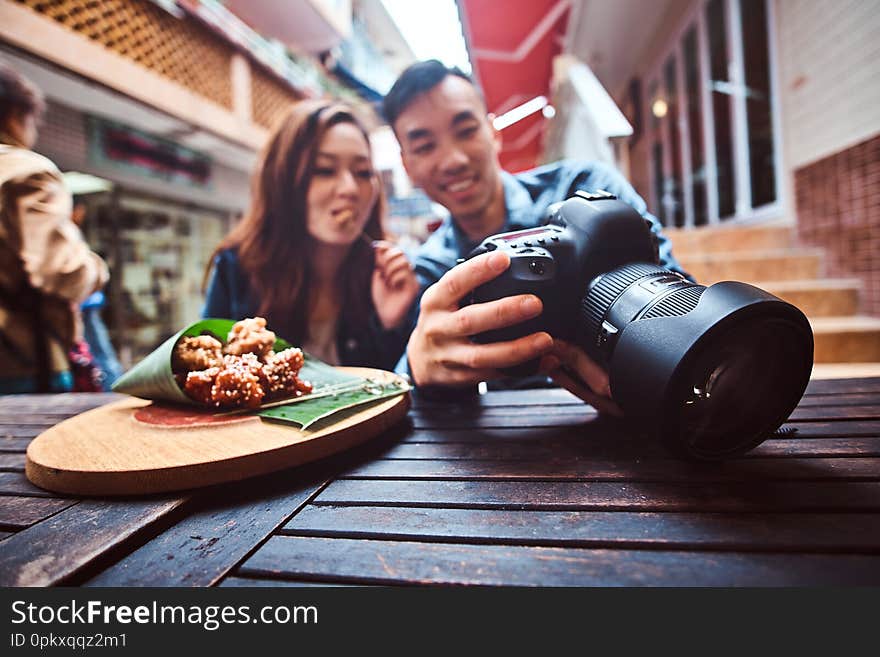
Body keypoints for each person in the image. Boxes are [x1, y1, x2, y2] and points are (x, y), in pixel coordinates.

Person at [382, 60, 689, 413]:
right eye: (424, 147)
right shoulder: (432, 272)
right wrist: (419, 370)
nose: (453, 160)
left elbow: (678, 295)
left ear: (493, 132)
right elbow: (418, 375)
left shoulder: (586, 190)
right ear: (407, 165)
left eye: (465, 130)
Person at [203, 99, 419, 371]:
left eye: (363, 172)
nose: (350, 189)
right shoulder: (237, 270)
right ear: (282, 181)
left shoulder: (388, 275)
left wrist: (391, 326)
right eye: (324, 171)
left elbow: (391, 395)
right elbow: (207, 374)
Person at [0, 62, 109, 394]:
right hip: (21, 367)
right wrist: (96, 269)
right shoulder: (27, 171)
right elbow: (63, 272)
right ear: (16, 115)